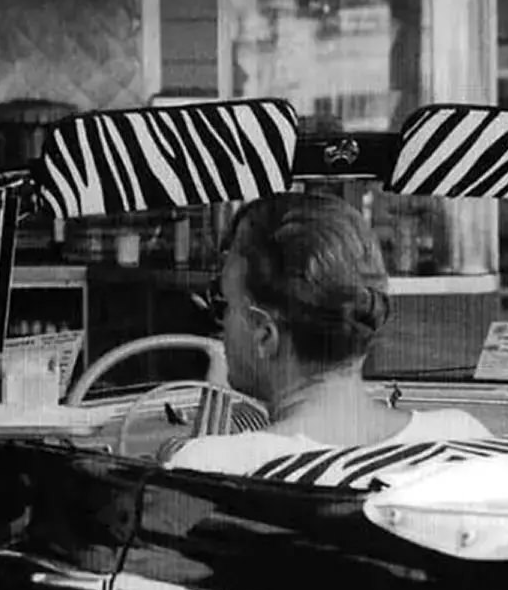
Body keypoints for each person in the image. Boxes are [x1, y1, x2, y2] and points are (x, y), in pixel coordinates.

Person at [167, 192, 490, 475]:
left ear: (265, 336)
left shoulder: (211, 464)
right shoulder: (463, 436)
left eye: (224, 303)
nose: (220, 324)